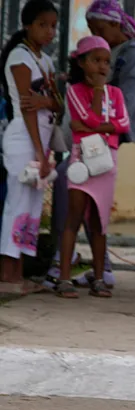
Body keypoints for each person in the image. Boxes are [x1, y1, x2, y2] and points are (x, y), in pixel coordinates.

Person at [46, 0, 135, 290]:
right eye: (92, 30)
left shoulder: (131, 56)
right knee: (80, 197)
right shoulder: (93, 71)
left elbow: (123, 111)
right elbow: (81, 115)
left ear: (116, 25)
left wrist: (100, 123)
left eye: (100, 29)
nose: (97, 35)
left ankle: (78, 262)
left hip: (105, 145)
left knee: (84, 197)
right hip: (87, 143)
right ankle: (91, 267)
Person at [54, 36, 130, 299]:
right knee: (74, 217)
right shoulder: (75, 91)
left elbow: (123, 124)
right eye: (96, 60)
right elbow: (91, 117)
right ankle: (64, 278)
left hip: (107, 161)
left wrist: (89, 127)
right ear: (82, 62)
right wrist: (97, 94)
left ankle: (99, 278)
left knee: (100, 222)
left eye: (106, 62)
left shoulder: (116, 93)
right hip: (82, 160)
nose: (102, 67)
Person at [0, 0, 61, 293]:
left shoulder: (45, 61)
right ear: (27, 25)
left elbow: (58, 103)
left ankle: (20, 272)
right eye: (42, 25)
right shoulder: (19, 57)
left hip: (41, 140)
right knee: (18, 204)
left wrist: (46, 100)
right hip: (24, 139)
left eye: (53, 26)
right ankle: (7, 274)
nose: (49, 31)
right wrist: (39, 151)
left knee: (32, 208)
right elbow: (27, 108)